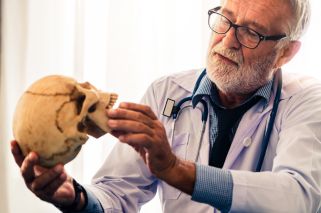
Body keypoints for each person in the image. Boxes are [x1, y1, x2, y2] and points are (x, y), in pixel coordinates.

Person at [10, 0, 321, 212]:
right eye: (225, 20)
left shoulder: (307, 102)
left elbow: (296, 197)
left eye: (251, 32)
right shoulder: (166, 92)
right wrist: (76, 198)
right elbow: (117, 193)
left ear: (285, 53)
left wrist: (175, 170)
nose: (227, 40)